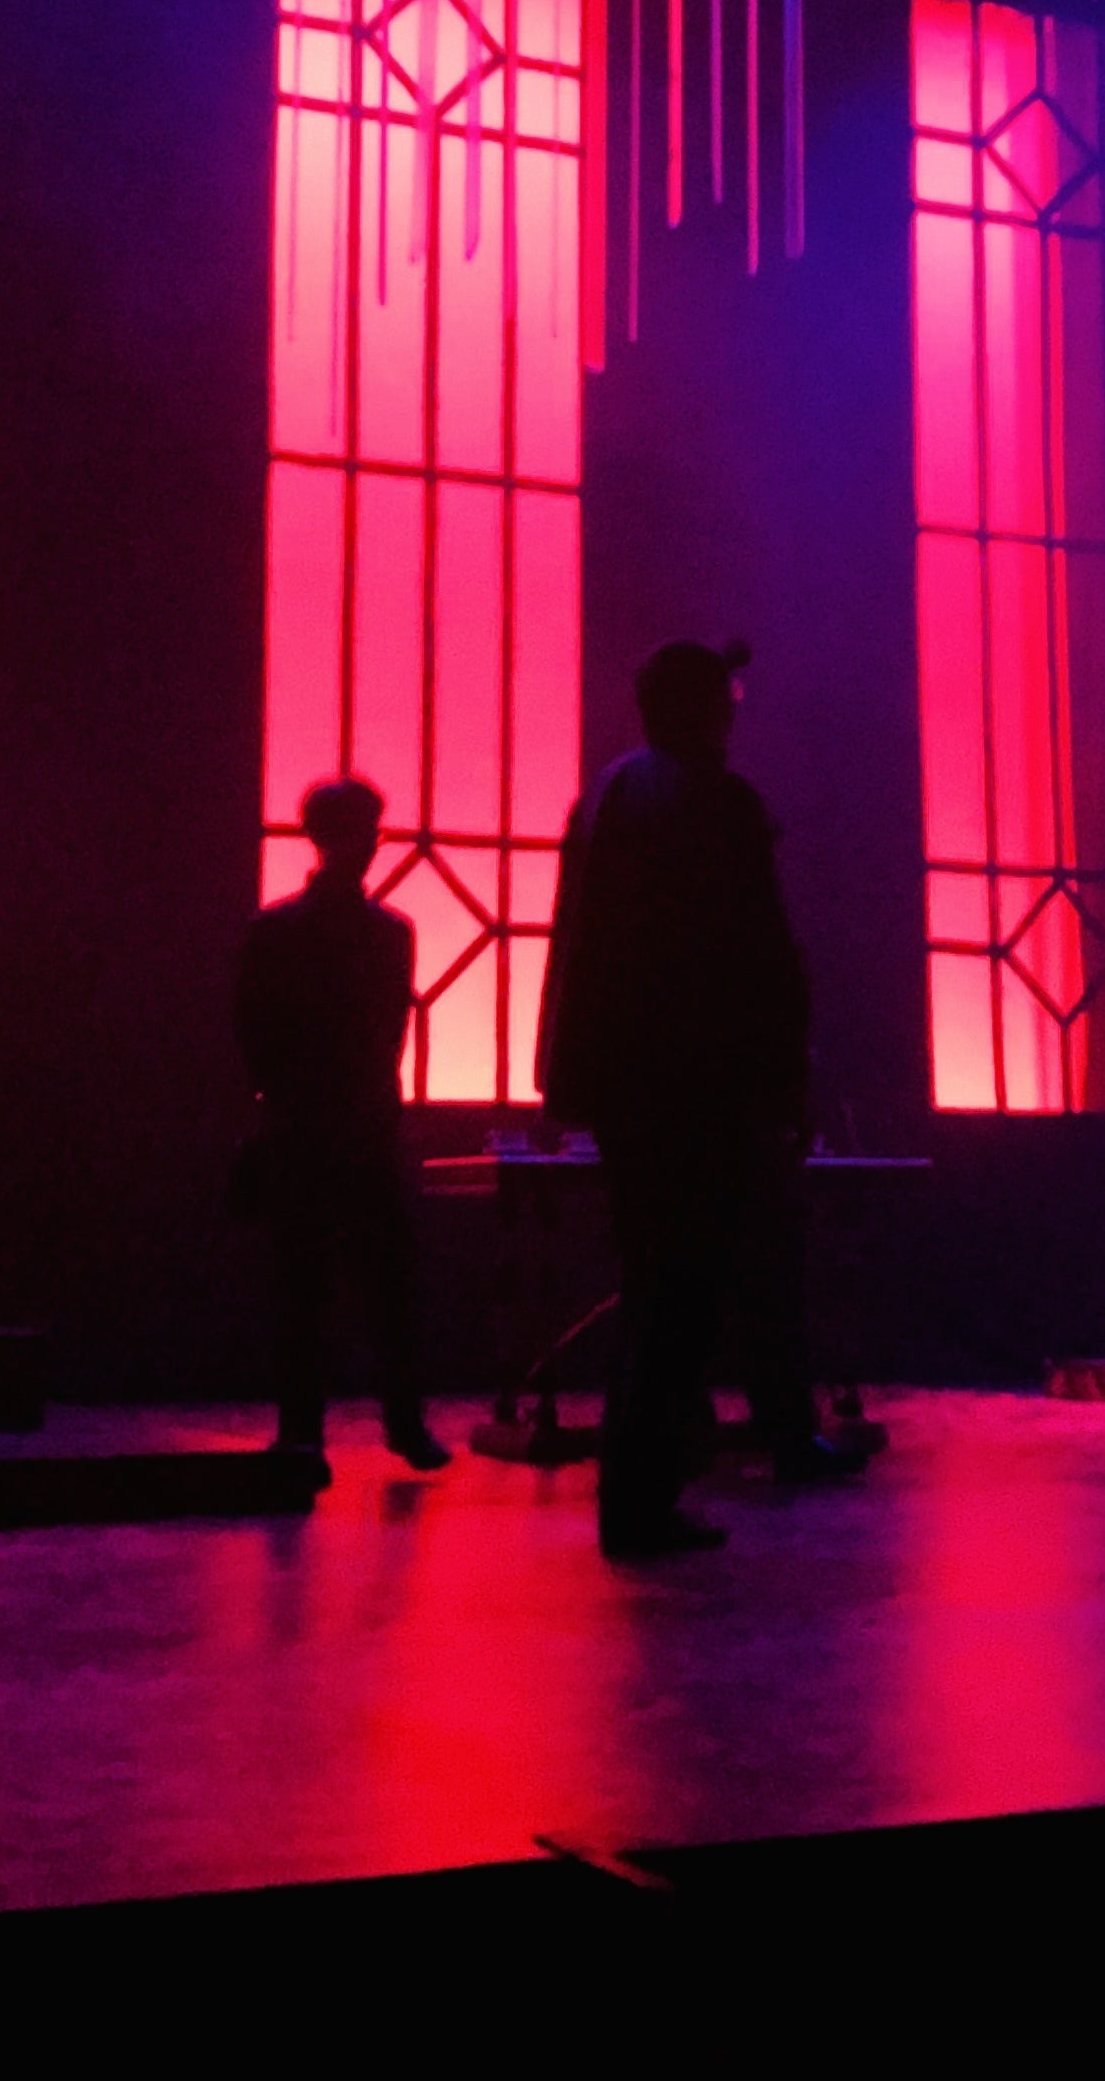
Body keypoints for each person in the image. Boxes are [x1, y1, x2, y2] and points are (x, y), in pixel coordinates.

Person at [534, 638, 869, 1560]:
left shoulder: (608, 795)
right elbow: (759, 957)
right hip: (702, 1091)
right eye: (725, 697)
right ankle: (645, 1500)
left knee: (657, 1286)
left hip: (630, 1089)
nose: (734, 710)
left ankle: (640, 1490)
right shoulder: (716, 803)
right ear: (700, 708)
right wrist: (785, 1077)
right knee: (691, 1290)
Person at [234, 776, 451, 1487]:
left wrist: (275, 1104)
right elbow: (388, 1032)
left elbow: (254, 1030)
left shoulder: (275, 930)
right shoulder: (390, 933)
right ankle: (402, 1422)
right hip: (364, 1121)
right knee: (387, 1283)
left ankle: (302, 1432)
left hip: (305, 1121)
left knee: (306, 1285)